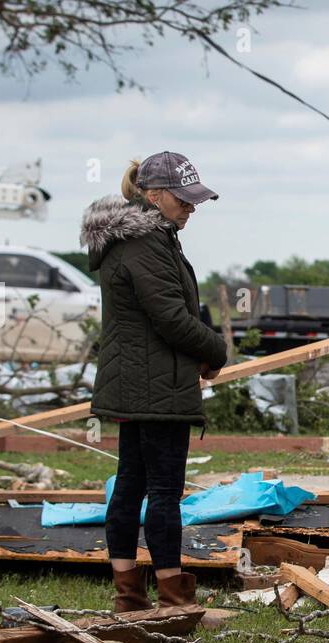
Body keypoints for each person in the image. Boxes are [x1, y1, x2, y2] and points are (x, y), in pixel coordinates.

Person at [79, 151, 228, 612]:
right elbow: (171, 318)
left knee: (130, 483)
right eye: (183, 200)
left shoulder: (144, 236)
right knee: (163, 490)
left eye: (194, 200)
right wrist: (215, 350)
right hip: (156, 387)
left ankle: (129, 595)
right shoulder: (146, 242)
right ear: (154, 194)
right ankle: (172, 598)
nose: (191, 208)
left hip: (136, 382)